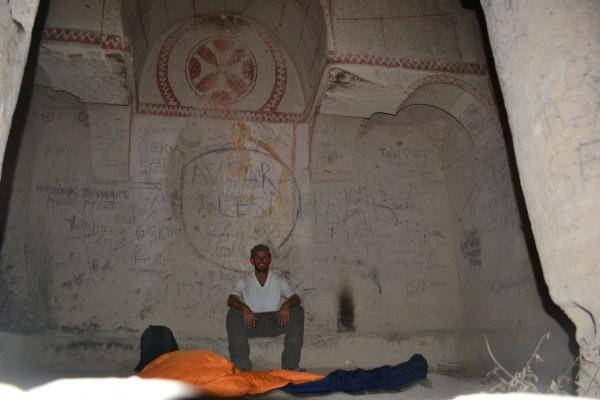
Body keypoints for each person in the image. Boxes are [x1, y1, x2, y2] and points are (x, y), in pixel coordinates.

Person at [226, 244, 304, 371]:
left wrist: (286, 304)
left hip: (275, 321)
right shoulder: (244, 279)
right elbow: (231, 299)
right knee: (233, 313)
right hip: (251, 322)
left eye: (265, 257)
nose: (261, 260)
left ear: (269, 259)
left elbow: (296, 298)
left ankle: (290, 366)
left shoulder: (278, 279)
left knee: (297, 310)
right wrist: (244, 308)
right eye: (257, 257)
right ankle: (242, 366)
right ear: (252, 260)